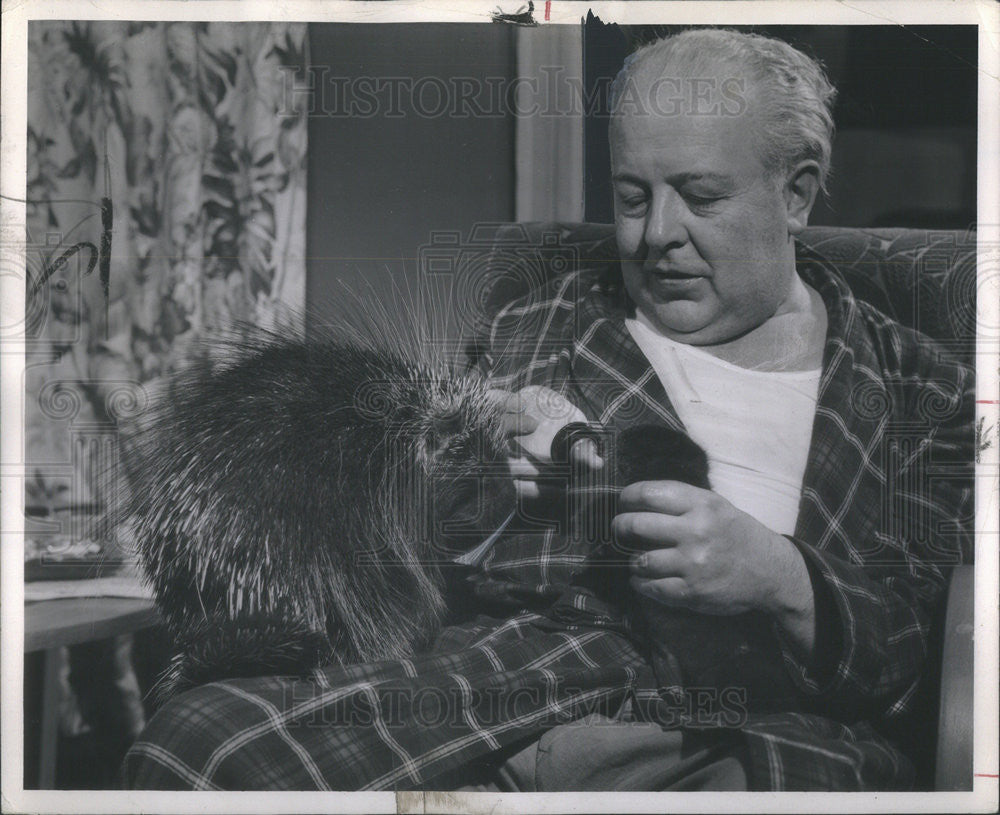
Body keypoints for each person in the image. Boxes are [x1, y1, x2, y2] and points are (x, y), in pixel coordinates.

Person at [123, 28, 974, 791]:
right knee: (194, 741)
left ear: (797, 192)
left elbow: (904, 652)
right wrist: (490, 482)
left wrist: (779, 576)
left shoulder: (917, 387)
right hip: (524, 683)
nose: (654, 235)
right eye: (633, 196)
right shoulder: (543, 321)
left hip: (753, 728)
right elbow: (439, 566)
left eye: (701, 197)